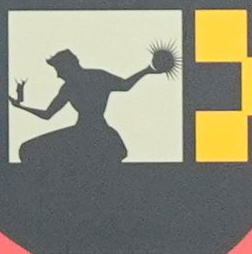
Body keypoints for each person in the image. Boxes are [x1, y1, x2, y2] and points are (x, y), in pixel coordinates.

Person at [10, 44, 175, 166]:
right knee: (27, 150)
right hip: (94, 132)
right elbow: (125, 85)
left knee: (28, 150)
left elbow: (47, 115)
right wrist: (147, 70)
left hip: (90, 134)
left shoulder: (75, 85)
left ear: (68, 66)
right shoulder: (93, 78)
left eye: (58, 69)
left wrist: (148, 70)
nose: (58, 75)